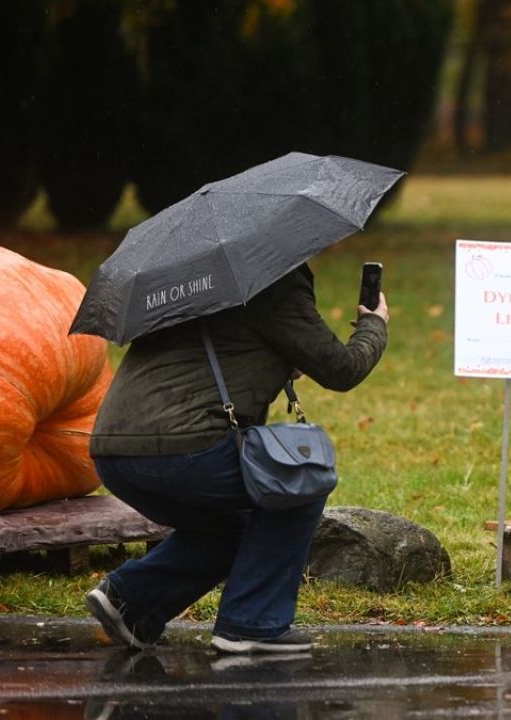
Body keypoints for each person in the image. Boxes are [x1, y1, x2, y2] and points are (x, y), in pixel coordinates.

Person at [84, 263, 388, 652]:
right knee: (298, 483)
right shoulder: (272, 275)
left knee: (235, 525)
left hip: (114, 452)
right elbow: (341, 370)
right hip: (182, 448)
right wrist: (374, 324)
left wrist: (277, 359)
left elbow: (215, 349)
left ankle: (130, 599)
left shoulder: (189, 275)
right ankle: (253, 625)